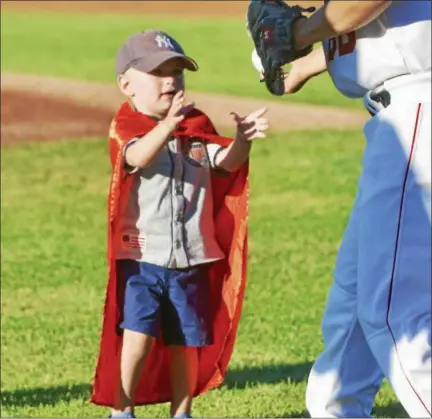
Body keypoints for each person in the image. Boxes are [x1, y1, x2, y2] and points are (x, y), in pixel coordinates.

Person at [251, 1, 431, 417]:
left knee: (393, 313)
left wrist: (295, 32)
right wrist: (307, 62)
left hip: (417, 111)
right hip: (402, 114)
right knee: (350, 315)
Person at [90, 29, 268, 418]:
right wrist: (168, 125)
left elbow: (224, 164)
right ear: (127, 84)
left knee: (186, 341)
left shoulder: (196, 124)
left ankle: (182, 411)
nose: (171, 80)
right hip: (142, 258)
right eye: (158, 71)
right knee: (138, 334)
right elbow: (136, 157)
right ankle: (122, 410)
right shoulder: (127, 125)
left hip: (191, 256)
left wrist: (242, 140)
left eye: (178, 71)